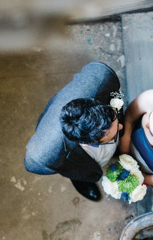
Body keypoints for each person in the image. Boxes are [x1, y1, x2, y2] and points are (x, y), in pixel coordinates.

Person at [24, 62, 124, 202]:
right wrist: (71, 169)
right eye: (109, 134)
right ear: (87, 141)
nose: (120, 127)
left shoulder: (102, 77)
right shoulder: (44, 154)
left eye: (113, 119)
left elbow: (115, 95)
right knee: (73, 167)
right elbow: (32, 165)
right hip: (72, 154)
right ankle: (82, 178)